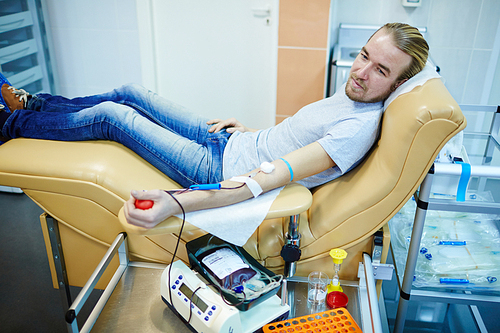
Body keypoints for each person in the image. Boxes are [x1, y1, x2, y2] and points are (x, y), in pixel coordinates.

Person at [0, 23, 428, 229]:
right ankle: (34, 104)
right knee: (131, 91)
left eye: (381, 70)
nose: (362, 71)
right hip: (231, 141)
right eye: (364, 55)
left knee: (115, 118)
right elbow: (290, 141)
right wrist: (251, 132)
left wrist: (178, 202)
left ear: (399, 83)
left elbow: (264, 180)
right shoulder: (355, 90)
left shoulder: (359, 126)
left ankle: (11, 122)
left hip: (213, 168)